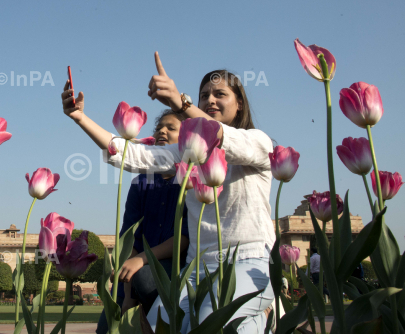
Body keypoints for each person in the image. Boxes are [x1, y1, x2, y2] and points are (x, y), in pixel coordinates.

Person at [62, 52, 275, 333]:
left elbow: (220, 136)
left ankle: (261, 319)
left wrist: (181, 102)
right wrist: (79, 118)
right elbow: (132, 155)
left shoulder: (258, 143)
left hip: (247, 260)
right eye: (203, 95)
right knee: (161, 324)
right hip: (197, 267)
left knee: (209, 324)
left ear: (239, 104)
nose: (210, 99)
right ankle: (259, 321)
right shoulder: (188, 153)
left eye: (220, 94)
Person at [95, 109, 190, 334]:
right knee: (107, 327)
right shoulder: (141, 183)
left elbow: (185, 237)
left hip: (169, 271)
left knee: (146, 277)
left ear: (187, 139)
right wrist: (128, 296)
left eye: (171, 128)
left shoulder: (191, 181)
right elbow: (129, 237)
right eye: (159, 128)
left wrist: (142, 259)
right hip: (131, 274)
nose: (162, 131)